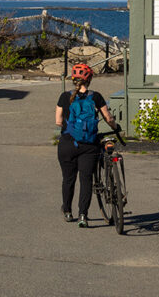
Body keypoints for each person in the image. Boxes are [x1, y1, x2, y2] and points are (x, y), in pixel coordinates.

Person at [55, 61, 121, 227]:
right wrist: (116, 127)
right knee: (86, 180)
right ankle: (83, 215)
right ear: (89, 80)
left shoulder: (64, 96)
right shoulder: (96, 96)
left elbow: (58, 121)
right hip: (89, 145)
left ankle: (68, 211)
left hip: (68, 144)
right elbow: (108, 118)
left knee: (68, 179)